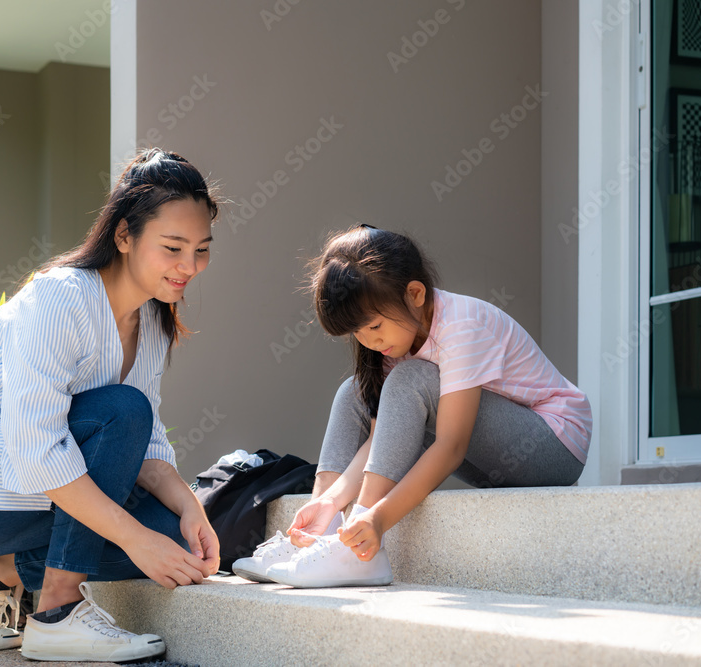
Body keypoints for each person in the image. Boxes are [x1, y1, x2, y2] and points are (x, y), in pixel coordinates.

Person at [0, 149, 221, 662]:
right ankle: (57, 613)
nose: (189, 266)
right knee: (122, 414)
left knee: (174, 546)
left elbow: (148, 438)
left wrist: (188, 505)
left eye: (201, 249)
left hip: (28, 494)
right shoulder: (61, 299)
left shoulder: (153, 319)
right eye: (173, 247)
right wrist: (132, 537)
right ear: (124, 236)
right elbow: (37, 449)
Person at [233, 224, 591, 588]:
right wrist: (330, 501)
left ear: (415, 293)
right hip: (496, 459)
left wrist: (376, 519)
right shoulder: (398, 340)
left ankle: (355, 549)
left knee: (410, 380)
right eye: (358, 333)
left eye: (373, 325)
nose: (370, 341)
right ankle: (320, 535)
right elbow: (381, 443)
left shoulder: (461, 326)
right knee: (353, 392)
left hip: (553, 447)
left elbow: (451, 447)